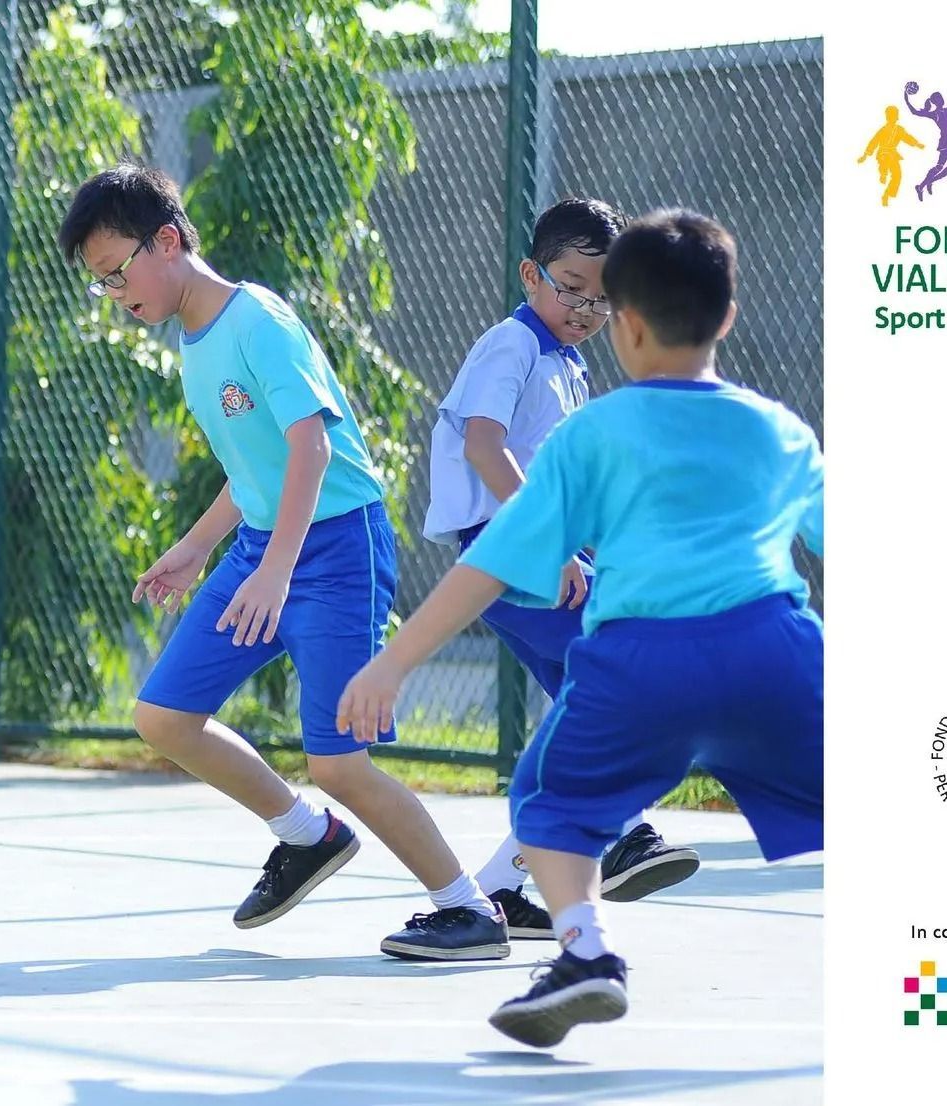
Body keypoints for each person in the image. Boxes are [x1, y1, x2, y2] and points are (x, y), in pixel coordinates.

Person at [339, 209, 824, 1046]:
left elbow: (487, 566)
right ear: (728, 317)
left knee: (547, 799)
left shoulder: (589, 433)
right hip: (771, 649)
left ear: (625, 323)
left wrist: (394, 662)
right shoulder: (781, 430)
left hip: (642, 658)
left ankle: (584, 950)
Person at [57, 162, 506, 960]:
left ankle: (467, 909)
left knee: (339, 760)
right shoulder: (194, 344)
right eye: (100, 283)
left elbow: (311, 444)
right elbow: (253, 467)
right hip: (266, 546)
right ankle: (307, 837)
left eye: (115, 271)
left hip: (334, 547)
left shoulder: (257, 320)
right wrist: (198, 548)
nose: (114, 293)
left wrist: (275, 570)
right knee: (163, 717)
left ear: (167, 241)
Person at [421, 197, 698, 941]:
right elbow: (485, 445)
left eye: (603, 298)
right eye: (571, 287)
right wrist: (551, 545)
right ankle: (627, 833)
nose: (584, 307)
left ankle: (498, 891)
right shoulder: (512, 346)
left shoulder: (564, 363)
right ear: (531, 274)